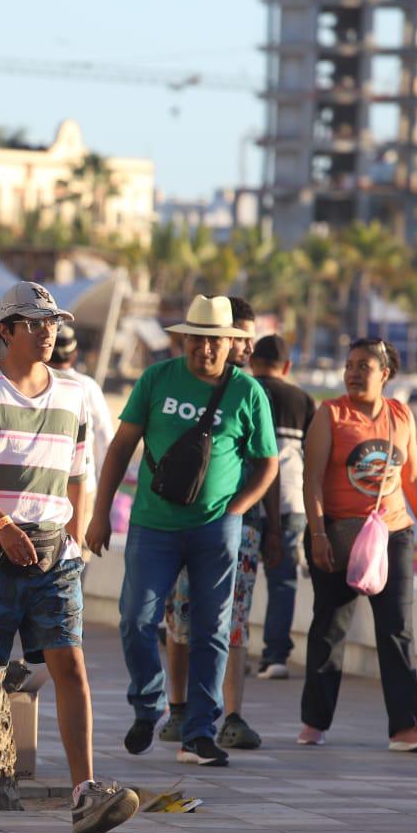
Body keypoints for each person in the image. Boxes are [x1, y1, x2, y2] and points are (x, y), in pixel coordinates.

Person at [0, 283, 139, 833]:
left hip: (55, 556)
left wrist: (74, 539)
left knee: (70, 667)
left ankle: (84, 793)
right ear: (6, 330)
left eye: (52, 322)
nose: (46, 331)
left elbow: (81, 472)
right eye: (34, 322)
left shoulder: (77, 393)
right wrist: (2, 526)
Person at [85, 295, 277, 768]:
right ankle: (149, 705)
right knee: (136, 619)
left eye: (215, 342)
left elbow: (268, 462)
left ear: (231, 345)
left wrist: (236, 510)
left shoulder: (247, 391)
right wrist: (100, 512)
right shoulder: (157, 379)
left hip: (216, 531)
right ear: (184, 339)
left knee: (213, 632)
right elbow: (122, 447)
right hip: (153, 526)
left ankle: (199, 733)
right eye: (197, 340)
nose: (205, 350)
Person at [300, 338, 417, 752]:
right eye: (349, 365)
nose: (354, 372)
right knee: (330, 627)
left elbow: (413, 478)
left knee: (397, 630)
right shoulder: (330, 414)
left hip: (392, 533)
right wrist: (320, 533)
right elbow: (311, 479)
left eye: (364, 365)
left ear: (385, 373)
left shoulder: (401, 415)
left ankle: (405, 727)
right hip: (339, 534)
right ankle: (314, 722)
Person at [158, 299, 266, 748]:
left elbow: (271, 466)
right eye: (232, 337)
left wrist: (264, 525)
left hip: (240, 526)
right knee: (181, 620)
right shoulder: (175, 384)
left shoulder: (254, 392)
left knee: (232, 621)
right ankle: (179, 708)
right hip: (181, 521)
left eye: (244, 339)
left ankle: (232, 714)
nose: (238, 347)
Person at [248, 334, 317, 681]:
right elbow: (315, 458)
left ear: (251, 360)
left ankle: (231, 650)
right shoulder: (303, 400)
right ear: (287, 366)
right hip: (292, 500)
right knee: (282, 581)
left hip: (243, 500)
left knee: (232, 580)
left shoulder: (242, 388)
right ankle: (275, 656)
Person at [48, 323, 115, 476]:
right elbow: (105, 438)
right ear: (74, 354)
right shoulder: (88, 386)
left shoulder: (31, 383)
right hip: (82, 479)